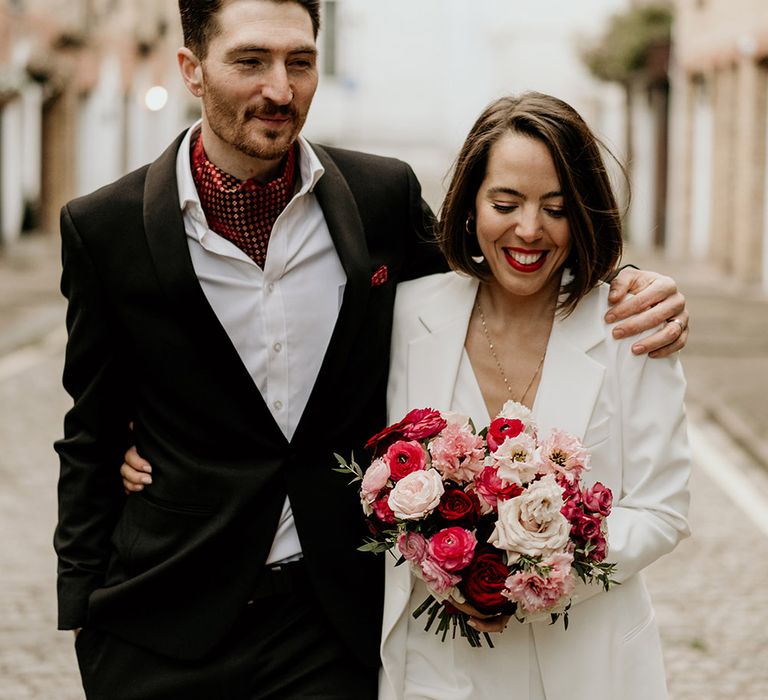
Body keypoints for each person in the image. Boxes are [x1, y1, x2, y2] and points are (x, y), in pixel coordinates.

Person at [57, 0, 687, 697]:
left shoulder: (379, 198)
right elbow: (89, 429)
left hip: (328, 624)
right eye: (250, 61)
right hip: (168, 615)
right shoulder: (104, 229)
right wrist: (85, 616)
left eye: (300, 61)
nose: (280, 87)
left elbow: (505, 268)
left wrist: (629, 283)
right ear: (191, 69)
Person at [377, 93, 691, 700]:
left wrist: (538, 574)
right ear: (470, 206)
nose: (529, 229)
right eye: (505, 203)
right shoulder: (404, 315)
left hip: (588, 667)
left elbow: (662, 508)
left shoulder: (630, 326)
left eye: (556, 208)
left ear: (584, 214)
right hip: (435, 672)